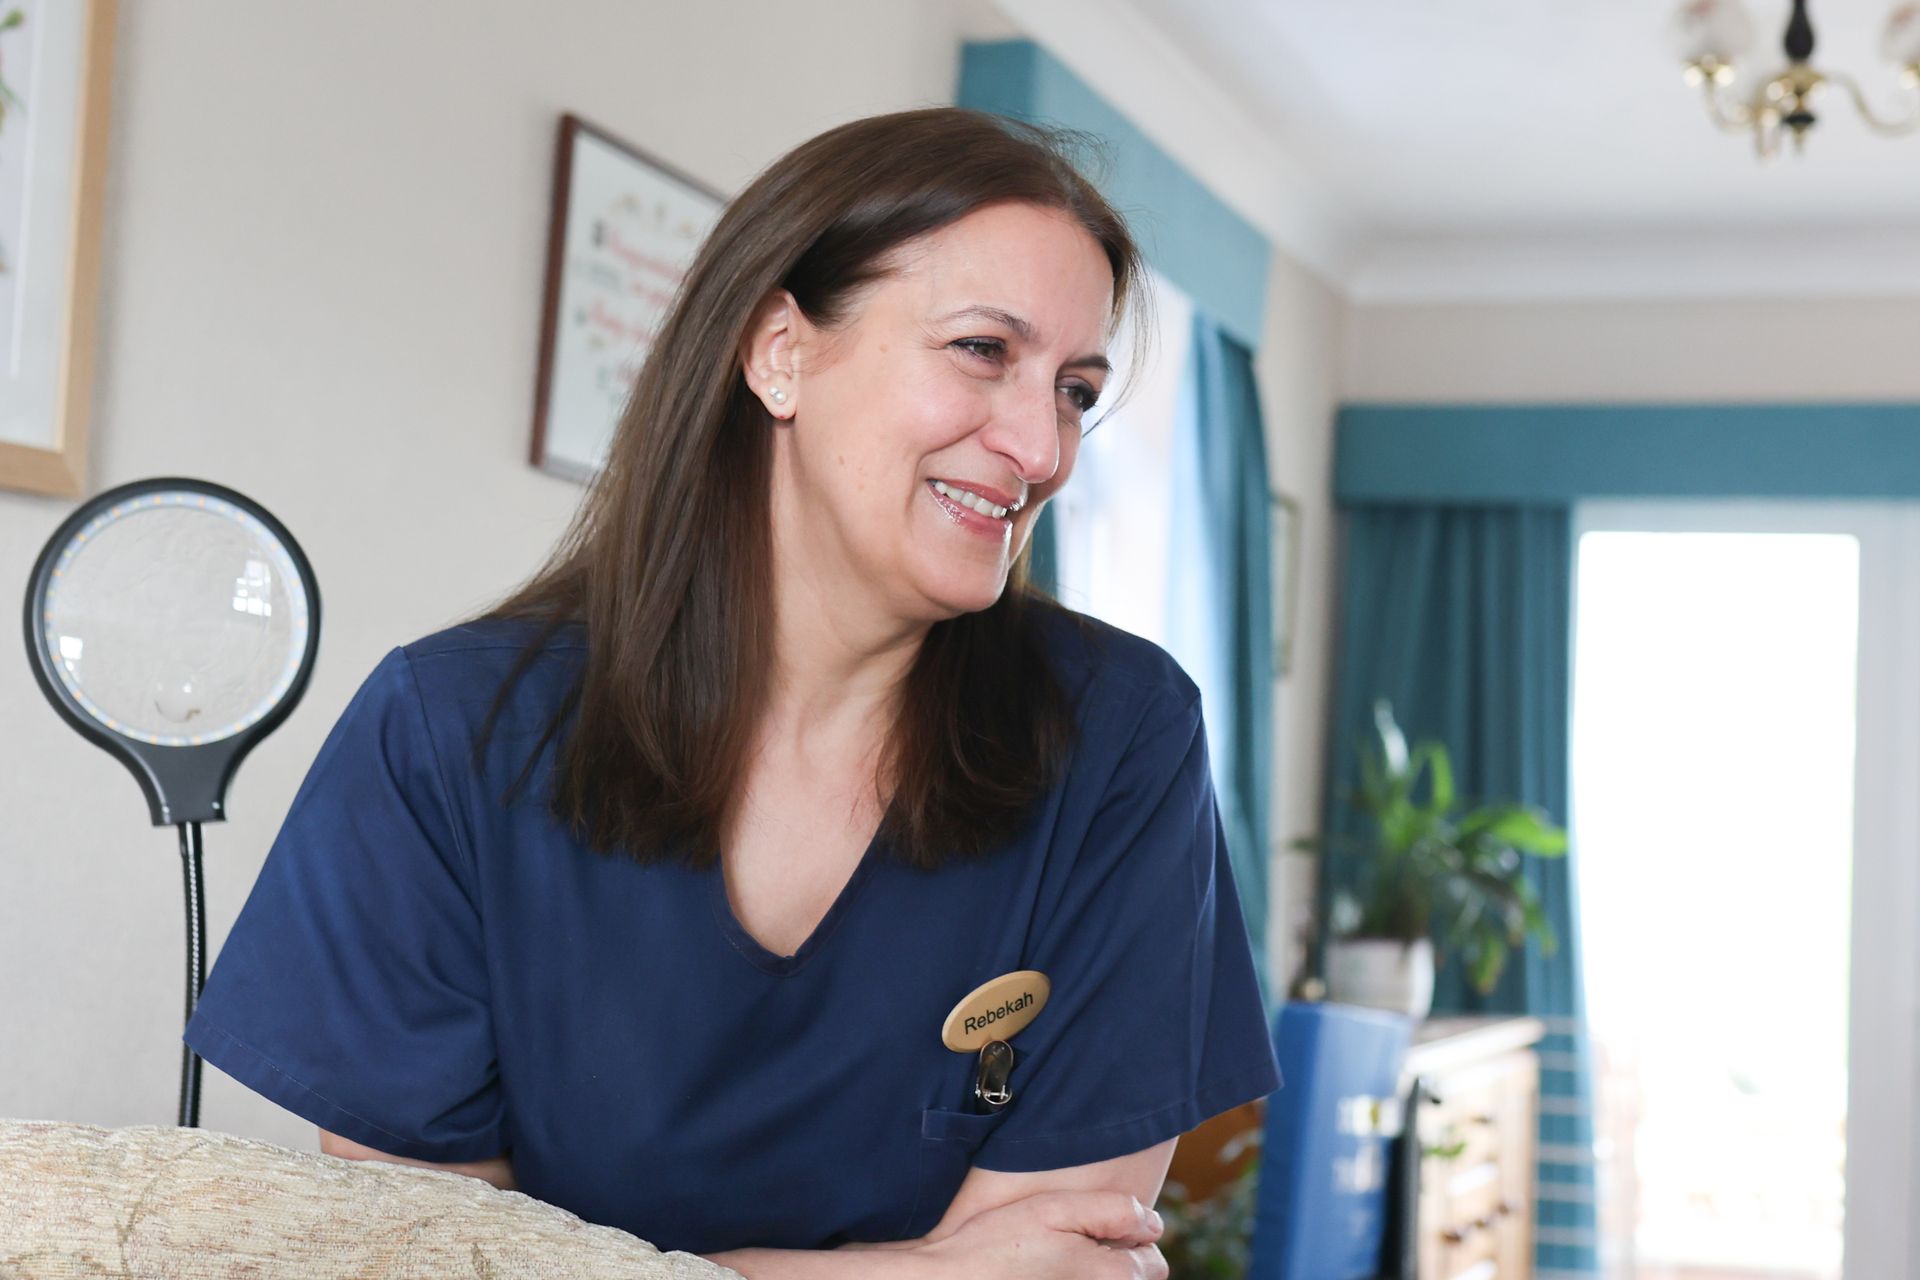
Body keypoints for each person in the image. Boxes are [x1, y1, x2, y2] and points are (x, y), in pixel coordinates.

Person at [183, 106, 1279, 1278]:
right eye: (982, 351)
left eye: (1074, 388)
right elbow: (431, 1263)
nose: (1043, 447)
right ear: (779, 351)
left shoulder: (1120, 736)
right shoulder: (450, 737)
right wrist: (923, 1270)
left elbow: (1069, 1262)